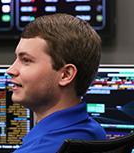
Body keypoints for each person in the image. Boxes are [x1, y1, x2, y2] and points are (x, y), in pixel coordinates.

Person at [7, 13, 106, 153]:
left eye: (26, 60)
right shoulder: (93, 131)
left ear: (65, 75)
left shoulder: (39, 149)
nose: (11, 70)